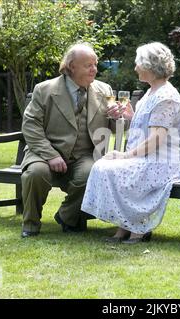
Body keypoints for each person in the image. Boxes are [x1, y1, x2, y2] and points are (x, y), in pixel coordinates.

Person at [81, 42, 180, 244]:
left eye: (138, 64)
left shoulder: (166, 97)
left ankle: (138, 229)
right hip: (148, 157)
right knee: (104, 166)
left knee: (114, 169)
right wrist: (130, 115)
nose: (135, 68)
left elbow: (156, 139)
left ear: (150, 66)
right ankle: (125, 226)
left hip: (164, 162)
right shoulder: (151, 92)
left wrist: (124, 155)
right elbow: (144, 127)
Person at [20, 43, 118, 238]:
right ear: (71, 66)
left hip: (85, 155)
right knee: (35, 173)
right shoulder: (44, 89)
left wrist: (120, 117)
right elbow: (30, 126)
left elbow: (116, 128)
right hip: (45, 153)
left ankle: (66, 216)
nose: (94, 69)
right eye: (88, 65)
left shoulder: (105, 89)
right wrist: (51, 155)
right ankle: (30, 224)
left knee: (93, 173)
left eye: (95, 64)